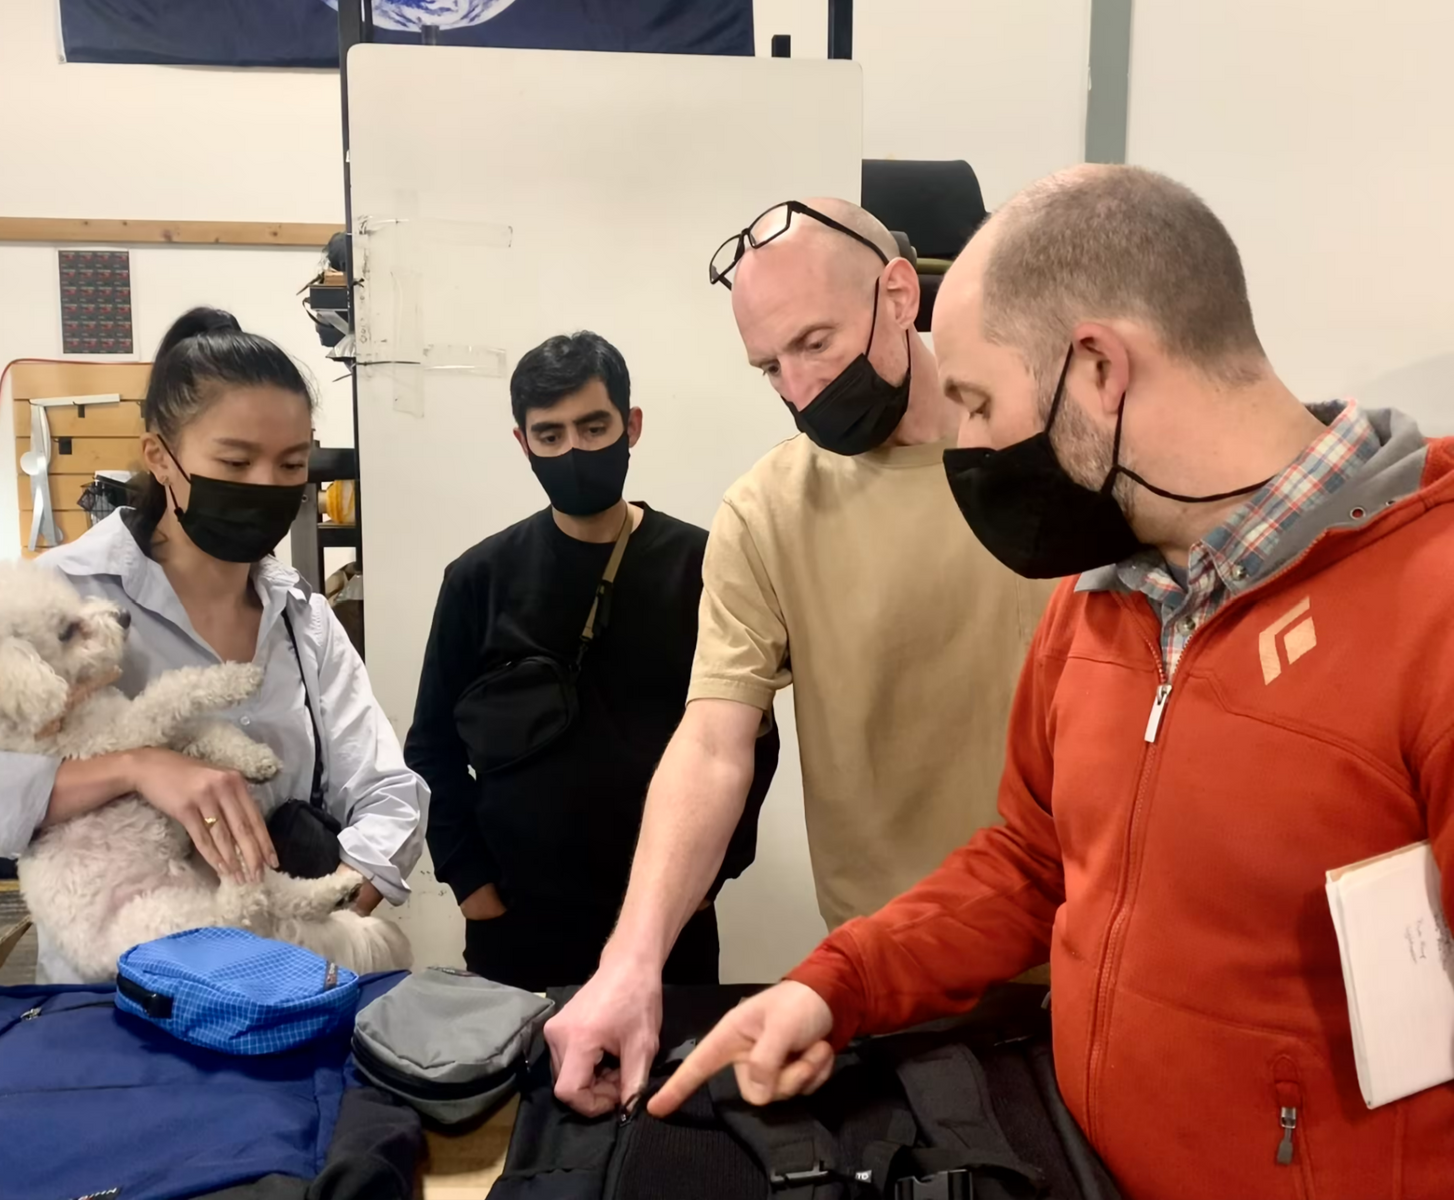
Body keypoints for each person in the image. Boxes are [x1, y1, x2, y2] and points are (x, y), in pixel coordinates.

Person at [647, 165, 1454, 1199]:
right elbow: (1034, 863)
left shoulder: (1428, 605)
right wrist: (833, 989)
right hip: (1072, 1164)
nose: (967, 444)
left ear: (1098, 372)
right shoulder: (1100, 599)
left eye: (979, 403)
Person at [546, 200, 1054, 1115]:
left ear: (898, 293)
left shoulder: (1042, 464)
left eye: (815, 342)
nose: (799, 387)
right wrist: (632, 961)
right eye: (769, 366)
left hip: (1072, 964)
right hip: (878, 976)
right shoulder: (768, 511)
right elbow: (711, 744)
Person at [0, 307, 428, 982]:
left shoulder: (304, 617)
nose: (267, 486)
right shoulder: (62, 601)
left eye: (291, 463)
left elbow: (388, 791)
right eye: (235, 460)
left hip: (286, 990)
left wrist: (334, 909)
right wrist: (133, 769)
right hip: (122, 1006)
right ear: (160, 456)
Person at [404, 331, 778, 991]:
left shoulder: (709, 567)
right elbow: (432, 749)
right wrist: (472, 888)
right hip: (517, 926)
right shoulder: (477, 579)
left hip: (669, 919)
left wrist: (709, 879)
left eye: (593, 426)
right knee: (521, 1090)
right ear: (522, 443)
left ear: (630, 426)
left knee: (667, 1092)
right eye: (549, 436)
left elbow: (756, 738)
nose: (572, 450)